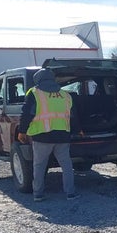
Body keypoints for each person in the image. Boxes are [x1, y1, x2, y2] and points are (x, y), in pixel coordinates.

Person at [16, 68, 81, 201]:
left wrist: (22, 131)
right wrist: (78, 130)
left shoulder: (34, 93)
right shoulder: (65, 95)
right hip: (62, 136)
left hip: (42, 137)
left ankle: (38, 194)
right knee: (67, 165)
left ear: (38, 80)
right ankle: (70, 193)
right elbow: (73, 116)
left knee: (39, 166)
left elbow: (27, 114)